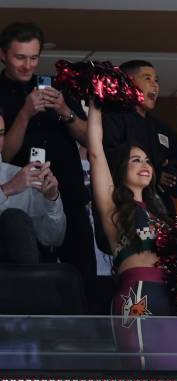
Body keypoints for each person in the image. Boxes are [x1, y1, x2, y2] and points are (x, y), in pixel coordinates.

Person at [88, 100, 177, 370]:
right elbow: (95, 153)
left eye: (148, 160)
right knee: (142, 372)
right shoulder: (113, 208)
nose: (145, 165)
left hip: (173, 296)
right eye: (135, 160)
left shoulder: (163, 213)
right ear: (120, 169)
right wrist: (95, 107)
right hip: (138, 293)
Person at [0, 22, 96, 297]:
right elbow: (3, 154)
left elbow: (90, 141)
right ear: (3, 55)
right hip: (18, 203)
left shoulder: (58, 88)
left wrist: (65, 110)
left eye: (33, 57)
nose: (27, 65)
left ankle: (81, 338)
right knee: (28, 284)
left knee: (80, 280)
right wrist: (25, 113)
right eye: (20, 57)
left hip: (68, 196)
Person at [101, 60, 177, 216]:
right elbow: (110, 158)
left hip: (161, 207)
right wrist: (153, 173)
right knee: (143, 239)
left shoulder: (162, 128)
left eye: (156, 80)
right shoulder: (112, 119)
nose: (155, 85)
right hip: (125, 208)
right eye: (147, 78)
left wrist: (169, 170)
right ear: (128, 84)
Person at [0, 107, 65, 264]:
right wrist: (8, 189)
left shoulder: (22, 177)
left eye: (1, 133)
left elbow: (52, 238)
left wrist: (51, 200)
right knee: (13, 217)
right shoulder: (17, 181)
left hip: (19, 278)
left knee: (15, 219)